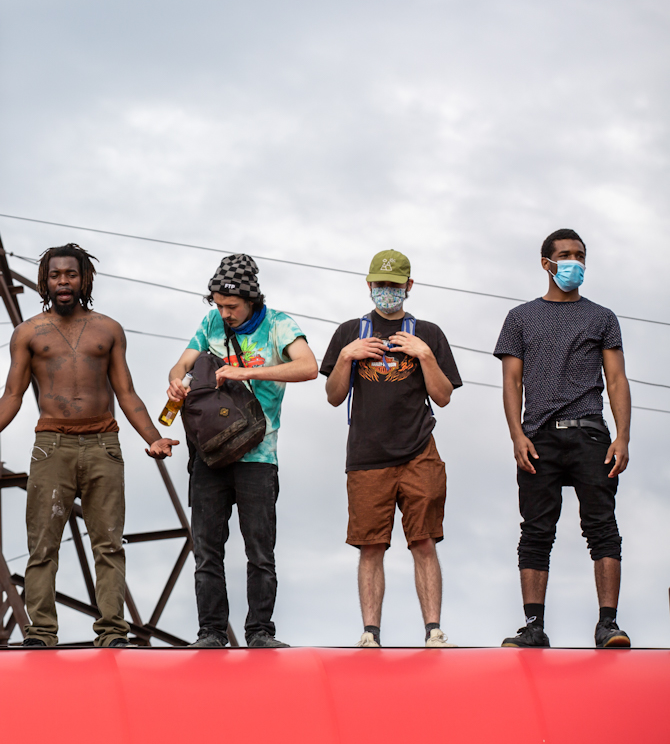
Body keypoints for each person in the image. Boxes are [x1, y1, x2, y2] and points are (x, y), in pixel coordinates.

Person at [0, 244, 178, 648]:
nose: (63, 282)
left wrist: (153, 438)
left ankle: (113, 632)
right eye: (55, 275)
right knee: (42, 546)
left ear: (85, 279)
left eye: (71, 275)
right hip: (52, 445)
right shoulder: (28, 332)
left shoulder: (108, 329)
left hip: (104, 445)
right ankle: (41, 633)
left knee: (110, 543)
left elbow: (127, 392)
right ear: (44, 280)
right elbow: (12, 394)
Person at [165, 253, 318, 648]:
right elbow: (180, 364)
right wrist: (177, 382)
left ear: (251, 299)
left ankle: (260, 633)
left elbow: (308, 367)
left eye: (231, 306)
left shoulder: (278, 324)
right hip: (211, 453)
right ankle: (211, 633)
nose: (225, 313)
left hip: (258, 455)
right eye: (218, 305)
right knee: (207, 550)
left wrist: (247, 371)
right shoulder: (211, 322)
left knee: (259, 550)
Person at [494, 229, 632, 648]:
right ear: (547, 263)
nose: (575, 262)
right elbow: (511, 380)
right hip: (538, 437)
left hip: (590, 431)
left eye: (581, 256)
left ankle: (607, 624)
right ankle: (533, 626)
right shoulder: (520, 317)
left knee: (602, 527)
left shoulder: (602, 317)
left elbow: (617, 378)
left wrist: (622, 437)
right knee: (536, 530)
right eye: (566, 255)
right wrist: (516, 434)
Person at [321, 250, 463, 648]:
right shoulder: (350, 331)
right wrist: (347, 357)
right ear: (368, 286)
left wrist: (425, 355)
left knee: (424, 541)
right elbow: (333, 397)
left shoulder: (428, 332)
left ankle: (434, 630)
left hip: (419, 451)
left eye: (394, 285)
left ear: (409, 287)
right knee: (370, 546)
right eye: (380, 285)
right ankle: (370, 633)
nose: (387, 292)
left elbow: (444, 396)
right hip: (366, 455)